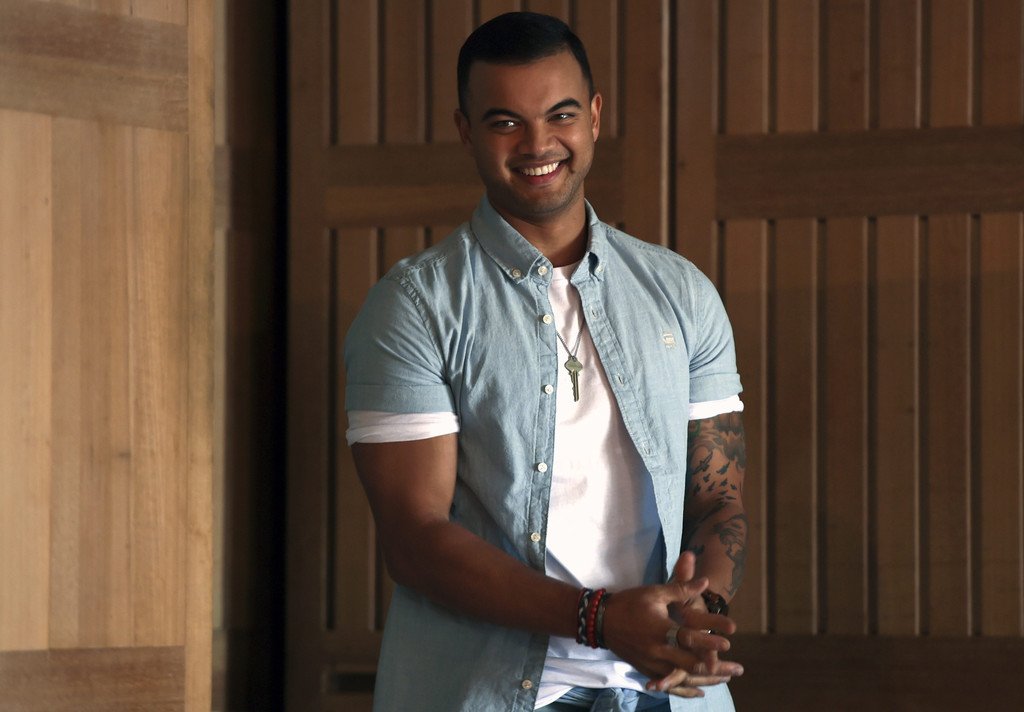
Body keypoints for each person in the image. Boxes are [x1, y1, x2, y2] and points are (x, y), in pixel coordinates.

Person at [344, 11, 748, 712]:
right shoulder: (413, 306)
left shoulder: (680, 293)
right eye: (505, 122)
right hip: (490, 692)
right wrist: (599, 620)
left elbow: (718, 499)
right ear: (466, 131)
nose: (538, 144)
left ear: (594, 116)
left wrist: (697, 614)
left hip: (666, 691)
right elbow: (415, 541)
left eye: (560, 114)